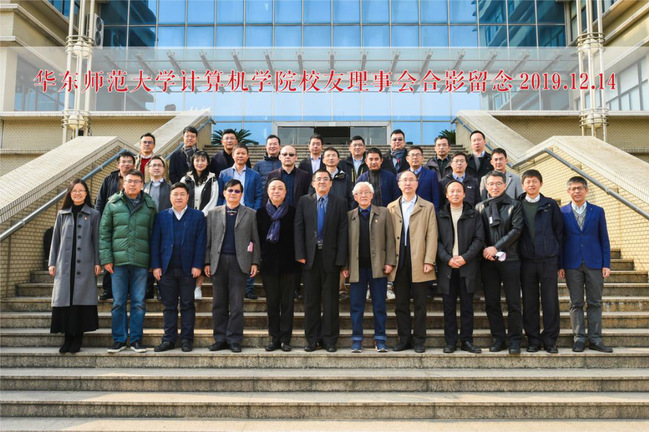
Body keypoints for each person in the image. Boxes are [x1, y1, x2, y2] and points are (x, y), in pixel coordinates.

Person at [99, 170, 157, 354]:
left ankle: (136, 340)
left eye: (136, 181)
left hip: (141, 261)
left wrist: (153, 260)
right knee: (118, 302)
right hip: (118, 262)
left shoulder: (149, 205)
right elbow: (104, 233)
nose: (132, 184)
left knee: (139, 302)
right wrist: (106, 258)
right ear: (123, 183)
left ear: (142, 184)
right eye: (129, 181)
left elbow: (154, 235)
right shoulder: (112, 204)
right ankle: (119, 340)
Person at [295, 169, 348, 352]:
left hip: (331, 258)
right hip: (310, 258)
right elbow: (299, 228)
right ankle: (312, 339)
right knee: (311, 301)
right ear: (313, 183)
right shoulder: (304, 201)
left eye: (326, 179)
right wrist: (300, 253)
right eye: (319, 179)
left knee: (331, 301)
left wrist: (341, 259)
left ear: (331, 183)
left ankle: (330, 340)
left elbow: (343, 232)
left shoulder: (340, 202)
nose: (322, 182)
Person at [205, 179, 260, 353]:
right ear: (224, 193)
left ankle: (234, 339)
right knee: (218, 303)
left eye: (237, 191)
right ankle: (220, 338)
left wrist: (254, 262)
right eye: (230, 190)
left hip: (239, 263)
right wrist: (206, 262)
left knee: (236, 304)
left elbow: (255, 240)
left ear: (241, 194)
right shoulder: (213, 213)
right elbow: (208, 241)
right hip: (218, 262)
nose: (233, 194)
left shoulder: (250, 214)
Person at [559, 176, 613, 353]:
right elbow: (560, 240)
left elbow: (604, 238)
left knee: (595, 302)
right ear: (568, 191)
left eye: (580, 188)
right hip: (571, 263)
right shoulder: (562, 212)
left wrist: (606, 263)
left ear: (586, 190)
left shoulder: (598, 211)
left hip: (594, 263)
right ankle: (579, 338)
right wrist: (560, 264)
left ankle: (595, 339)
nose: (576, 191)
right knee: (575, 303)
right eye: (573, 188)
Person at [150, 183, 206, 353]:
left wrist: (198, 265)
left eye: (182, 194)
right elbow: (155, 242)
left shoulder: (198, 216)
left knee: (188, 305)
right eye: (175, 194)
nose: (179, 197)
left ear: (188, 197)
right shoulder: (161, 216)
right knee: (169, 306)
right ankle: (169, 339)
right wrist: (156, 266)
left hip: (188, 269)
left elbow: (201, 242)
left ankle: (187, 340)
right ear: (170, 197)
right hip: (166, 269)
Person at [342, 182, 396, 353]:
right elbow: (344, 243)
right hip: (357, 267)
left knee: (379, 305)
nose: (363, 195)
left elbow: (390, 239)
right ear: (355, 197)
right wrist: (345, 265)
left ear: (372, 195)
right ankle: (357, 339)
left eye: (367, 192)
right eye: (360, 193)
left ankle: (380, 339)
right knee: (356, 306)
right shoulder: (349, 216)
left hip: (378, 267)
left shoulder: (384, 213)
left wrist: (390, 262)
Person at [387, 170, 438, 353]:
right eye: (404, 180)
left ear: (417, 183)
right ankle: (404, 339)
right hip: (399, 260)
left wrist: (429, 260)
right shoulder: (391, 207)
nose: (408, 183)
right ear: (399, 184)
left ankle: (419, 340)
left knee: (420, 304)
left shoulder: (428, 206)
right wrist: (389, 261)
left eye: (411, 180)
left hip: (420, 260)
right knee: (400, 304)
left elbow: (432, 235)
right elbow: (388, 237)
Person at [48, 179, 101, 354]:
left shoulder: (94, 214)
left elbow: (97, 240)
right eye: (74, 191)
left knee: (80, 301)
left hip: (85, 264)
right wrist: (52, 262)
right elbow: (55, 240)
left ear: (86, 193)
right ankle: (67, 339)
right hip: (64, 265)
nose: (77, 193)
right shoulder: (62, 214)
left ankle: (77, 338)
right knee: (65, 300)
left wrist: (97, 262)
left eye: (81, 190)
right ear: (70, 194)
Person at [475, 170, 524, 355]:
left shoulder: (515, 205)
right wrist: (486, 250)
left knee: (513, 302)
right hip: (488, 261)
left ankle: (515, 340)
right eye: (491, 184)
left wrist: (496, 247)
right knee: (492, 302)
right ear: (486, 186)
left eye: (498, 183)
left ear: (505, 185)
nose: (494, 187)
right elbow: (477, 233)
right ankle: (498, 339)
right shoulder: (480, 207)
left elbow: (516, 230)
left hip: (510, 259)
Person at [436, 181, 484, 354]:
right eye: (452, 191)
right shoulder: (440, 214)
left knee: (467, 307)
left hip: (467, 266)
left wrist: (464, 258)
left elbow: (479, 239)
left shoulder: (473, 214)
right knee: (448, 307)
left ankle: (467, 341)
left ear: (464, 194)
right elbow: (435, 241)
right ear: (446, 195)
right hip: (447, 267)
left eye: (458, 191)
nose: (455, 194)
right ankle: (450, 342)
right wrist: (448, 259)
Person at [519, 169, 563, 354]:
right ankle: (533, 340)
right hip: (527, 261)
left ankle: (550, 340)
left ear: (541, 184)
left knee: (550, 301)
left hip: (548, 260)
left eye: (534, 181)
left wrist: (560, 262)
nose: (531, 184)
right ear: (523, 185)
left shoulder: (550, 205)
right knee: (529, 302)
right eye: (528, 181)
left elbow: (559, 232)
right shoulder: (517, 204)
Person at [256, 179, 298, 352]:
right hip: (268, 265)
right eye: (273, 188)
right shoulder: (260, 213)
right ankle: (274, 338)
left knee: (287, 304)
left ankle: (286, 339)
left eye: (280, 188)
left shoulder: (294, 212)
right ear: (267, 191)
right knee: (272, 303)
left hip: (289, 264)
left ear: (285, 192)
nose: (276, 191)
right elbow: (257, 239)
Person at [218, 143, 263, 300]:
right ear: (233, 155)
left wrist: (254, 212)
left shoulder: (254, 175)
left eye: (243, 153)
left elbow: (258, 195)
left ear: (248, 156)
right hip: (228, 215)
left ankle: (248, 287)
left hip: (247, 215)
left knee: (248, 248)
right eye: (238, 153)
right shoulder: (224, 174)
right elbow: (220, 195)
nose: (240, 156)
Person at [95, 151, 135, 301]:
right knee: (109, 256)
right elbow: (100, 201)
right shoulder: (109, 180)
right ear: (118, 164)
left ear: (134, 164)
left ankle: (129, 289)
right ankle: (108, 289)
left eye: (129, 161)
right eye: (123, 161)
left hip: (131, 223)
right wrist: (100, 221)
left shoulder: (137, 179)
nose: (126, 164)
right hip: (111, 223)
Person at [181, 151, 219, 300]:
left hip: (205, 219)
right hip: (187, 218)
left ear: (207, 162)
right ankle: (187, 285)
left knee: (202, 251)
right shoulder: (186, 178)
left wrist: (201, 215)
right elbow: (181, 195)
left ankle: (198, 286)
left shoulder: (213, 179)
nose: (200, 163)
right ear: (193, 162)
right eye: (197, 160)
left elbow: (214, 199)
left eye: (203, 160)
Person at [143, 155, 172, 300]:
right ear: (148, 169)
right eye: (153, 165)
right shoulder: (143, 188)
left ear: (164, 169)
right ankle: (148, 287)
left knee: (162, 256)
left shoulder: (170, 187)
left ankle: (161, 288)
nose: (156, 168)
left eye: (159, 165)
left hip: (165, 227)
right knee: (148, 256)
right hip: (146, 227)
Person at [406, 146, 441, 210]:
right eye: (412, 155)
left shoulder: (431, 175)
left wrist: (435, 212)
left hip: (426, 211)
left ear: (422, 158)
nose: (415, 157)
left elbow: (436, 196)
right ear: (407, 158)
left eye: (418, 155)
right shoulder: (401, 176)